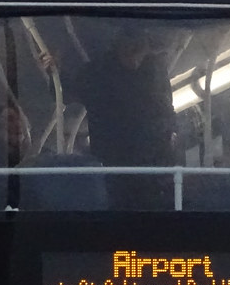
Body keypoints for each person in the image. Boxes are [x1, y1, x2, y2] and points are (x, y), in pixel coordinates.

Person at [67, 26, 175, 209]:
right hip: (115, 164)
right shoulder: (96, 73)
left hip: (156, 166)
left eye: (141, 46)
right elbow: (68, 93)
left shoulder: (156, 71)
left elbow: (166, 109)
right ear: (119, 45)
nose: (137, 53)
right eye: (132, 46)